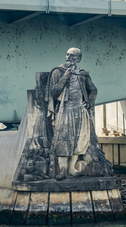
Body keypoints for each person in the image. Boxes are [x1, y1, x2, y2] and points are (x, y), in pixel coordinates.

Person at [48, 48, 98, 180]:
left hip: (80, 110)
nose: (69, 57)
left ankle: (71, 168)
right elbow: (53, 92)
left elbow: (93, 89)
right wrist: (65, 77)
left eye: (73, 55)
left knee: (79, 139)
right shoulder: (57, 71)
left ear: (78, 59)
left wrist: (90, 102)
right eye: (67, 54)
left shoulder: (82, 74)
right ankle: (62, 169)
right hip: (65, 109)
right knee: (63, 138)